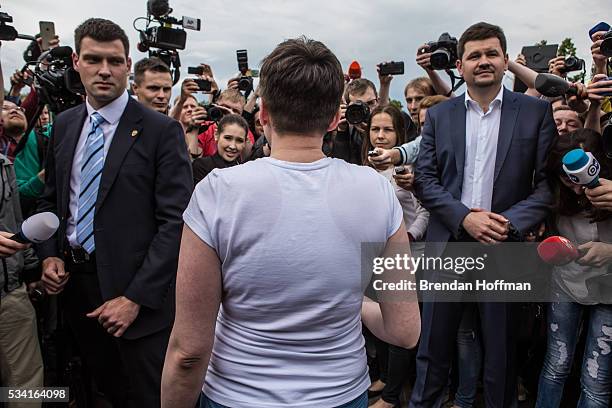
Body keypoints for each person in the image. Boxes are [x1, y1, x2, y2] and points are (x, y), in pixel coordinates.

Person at [161, 36, 421, 408]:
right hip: (341, 394)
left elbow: (188, 351)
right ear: (334, 118)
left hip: (239, 395)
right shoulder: (375, 191)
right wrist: (351, 300)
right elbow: (405, 330)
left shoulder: (218, 191)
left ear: (263, 113)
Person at [36, 18, 192, 407]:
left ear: (127, 65)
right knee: (95, 393)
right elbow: (52, 203)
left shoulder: (159, 131)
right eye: (93, 59)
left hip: (138, 303)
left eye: (114, 61)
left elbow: (176, 223)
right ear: (76, 61)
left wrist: (134, 298)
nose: (104, 70)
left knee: (144, 397)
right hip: (75, 290)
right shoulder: (65, 125)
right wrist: (49, 254)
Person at [411, 22, 556, 408]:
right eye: (474, 55)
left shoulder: (535, 113)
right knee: (432, 352)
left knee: (500, 357)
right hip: (449, 248)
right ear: (459, 65)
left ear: (506, 60)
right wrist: (464, 217)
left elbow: (547, 186)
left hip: (504, 248)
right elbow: (425, 179)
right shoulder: (440, 117)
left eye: (491, 53)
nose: (484, 61)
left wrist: (507, 222)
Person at [536, 128, 612, 407]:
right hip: (566, 285)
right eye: (569, 181)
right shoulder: (552, 199)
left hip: (608, 291)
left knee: (596, 378)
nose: (579, 188)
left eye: (585, 177)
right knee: (557, 364)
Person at [363, 105, 428, 408]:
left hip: (408, 255)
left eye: (387, 129)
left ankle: (391, 397)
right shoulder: (362, 170)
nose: (380, 135)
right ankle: (386, 377)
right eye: (375, 129)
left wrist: (407, 238)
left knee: (399, 323)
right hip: (371, 256)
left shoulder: (410, 170)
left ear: (400, 134)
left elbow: (425, 212)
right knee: (375, 320)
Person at [192, 114, 248, 185]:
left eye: (239, 140)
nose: (232, 146)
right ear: (216, 135)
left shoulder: (245, 171)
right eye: (227, 138)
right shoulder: (201, 166)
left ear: (245, 143)